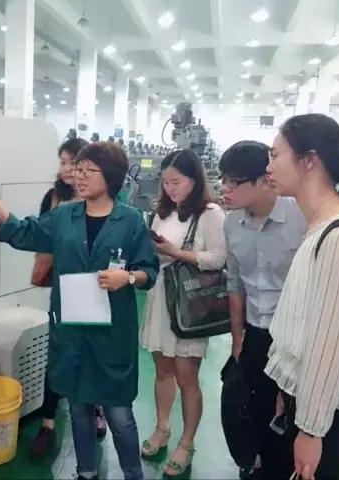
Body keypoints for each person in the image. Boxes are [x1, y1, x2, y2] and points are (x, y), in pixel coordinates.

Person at [0, 141, 158, 480]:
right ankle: (85, 471)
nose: (79, 176)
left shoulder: (130, 221)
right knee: (79, 409)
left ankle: (133, 474)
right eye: (77, 169)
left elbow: (148, 271)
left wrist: (127, 277)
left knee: (120, 415)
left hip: (112, 335)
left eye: (88, 170)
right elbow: (24, 233)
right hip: (71, 331)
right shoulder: (65, 216)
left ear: (110, 176)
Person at [264, 113, 339, 480]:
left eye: (275, 155)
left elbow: (328, 343)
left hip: (328, 412)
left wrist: (310, 430)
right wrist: (287, 389)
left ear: (309, 161)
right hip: (307, 399)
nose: (268, 166)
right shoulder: (321, 225)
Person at [219, 140, 307, 479]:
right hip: (256, 335)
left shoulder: (300, 217)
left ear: (264, 180)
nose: (224, 188)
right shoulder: (231, 224)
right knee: (255, 408)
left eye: (234, 181)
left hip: (296, 338)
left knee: (291, 416)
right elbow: (235, 286)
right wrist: (237, 342)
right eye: (223, 179)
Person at [139, 149, 226, 477]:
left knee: (187, 377)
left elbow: (217, 259)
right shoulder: (161, 211)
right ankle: (162, 427)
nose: (170, 188)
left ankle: (187, 443)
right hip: (160, 297)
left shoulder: (210, 213)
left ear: (194, 179)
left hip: (190, 304)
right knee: (162, 370)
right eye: (165, 182)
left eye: (176, 182)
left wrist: (175, 252)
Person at [31, 138, 108, 459]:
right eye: (62, 162)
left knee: (93, 352)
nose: (65, 169)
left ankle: (97, 408)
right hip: (63, 288)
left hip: (95, 287)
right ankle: (48, 423)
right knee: (57, 353)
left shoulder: (101, 200)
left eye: (71, 163)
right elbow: (39, 236)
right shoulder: (54, 197)